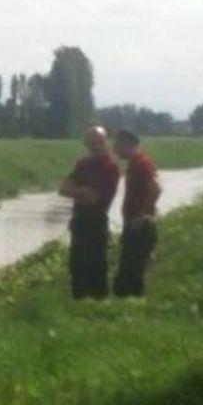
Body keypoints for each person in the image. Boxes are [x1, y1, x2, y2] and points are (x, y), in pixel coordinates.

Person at [58, 126, 121, 299]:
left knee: (96, 267)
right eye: (91, 142)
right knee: (76, 266)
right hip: (79, 222)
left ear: (106, 142)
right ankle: (79, 305)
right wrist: (82, 192)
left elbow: (94, 199)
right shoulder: (83, 163)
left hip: (96, 222)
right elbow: (62, 189)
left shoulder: (110, 167)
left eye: (99, 142)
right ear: (86, 144)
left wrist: (76, 191)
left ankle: (97, 307)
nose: (96, 146)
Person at [112, 129, 162, 297]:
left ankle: (132, 309)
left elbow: (156, 189)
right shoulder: (135, 163)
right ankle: (132, 307)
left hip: (139, 226)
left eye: (117, 145)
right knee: (131, 270)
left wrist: (142, 215)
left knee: (132, 271)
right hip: (136, 223)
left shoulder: (142, 164)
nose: (114, 149)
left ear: (128, 145)